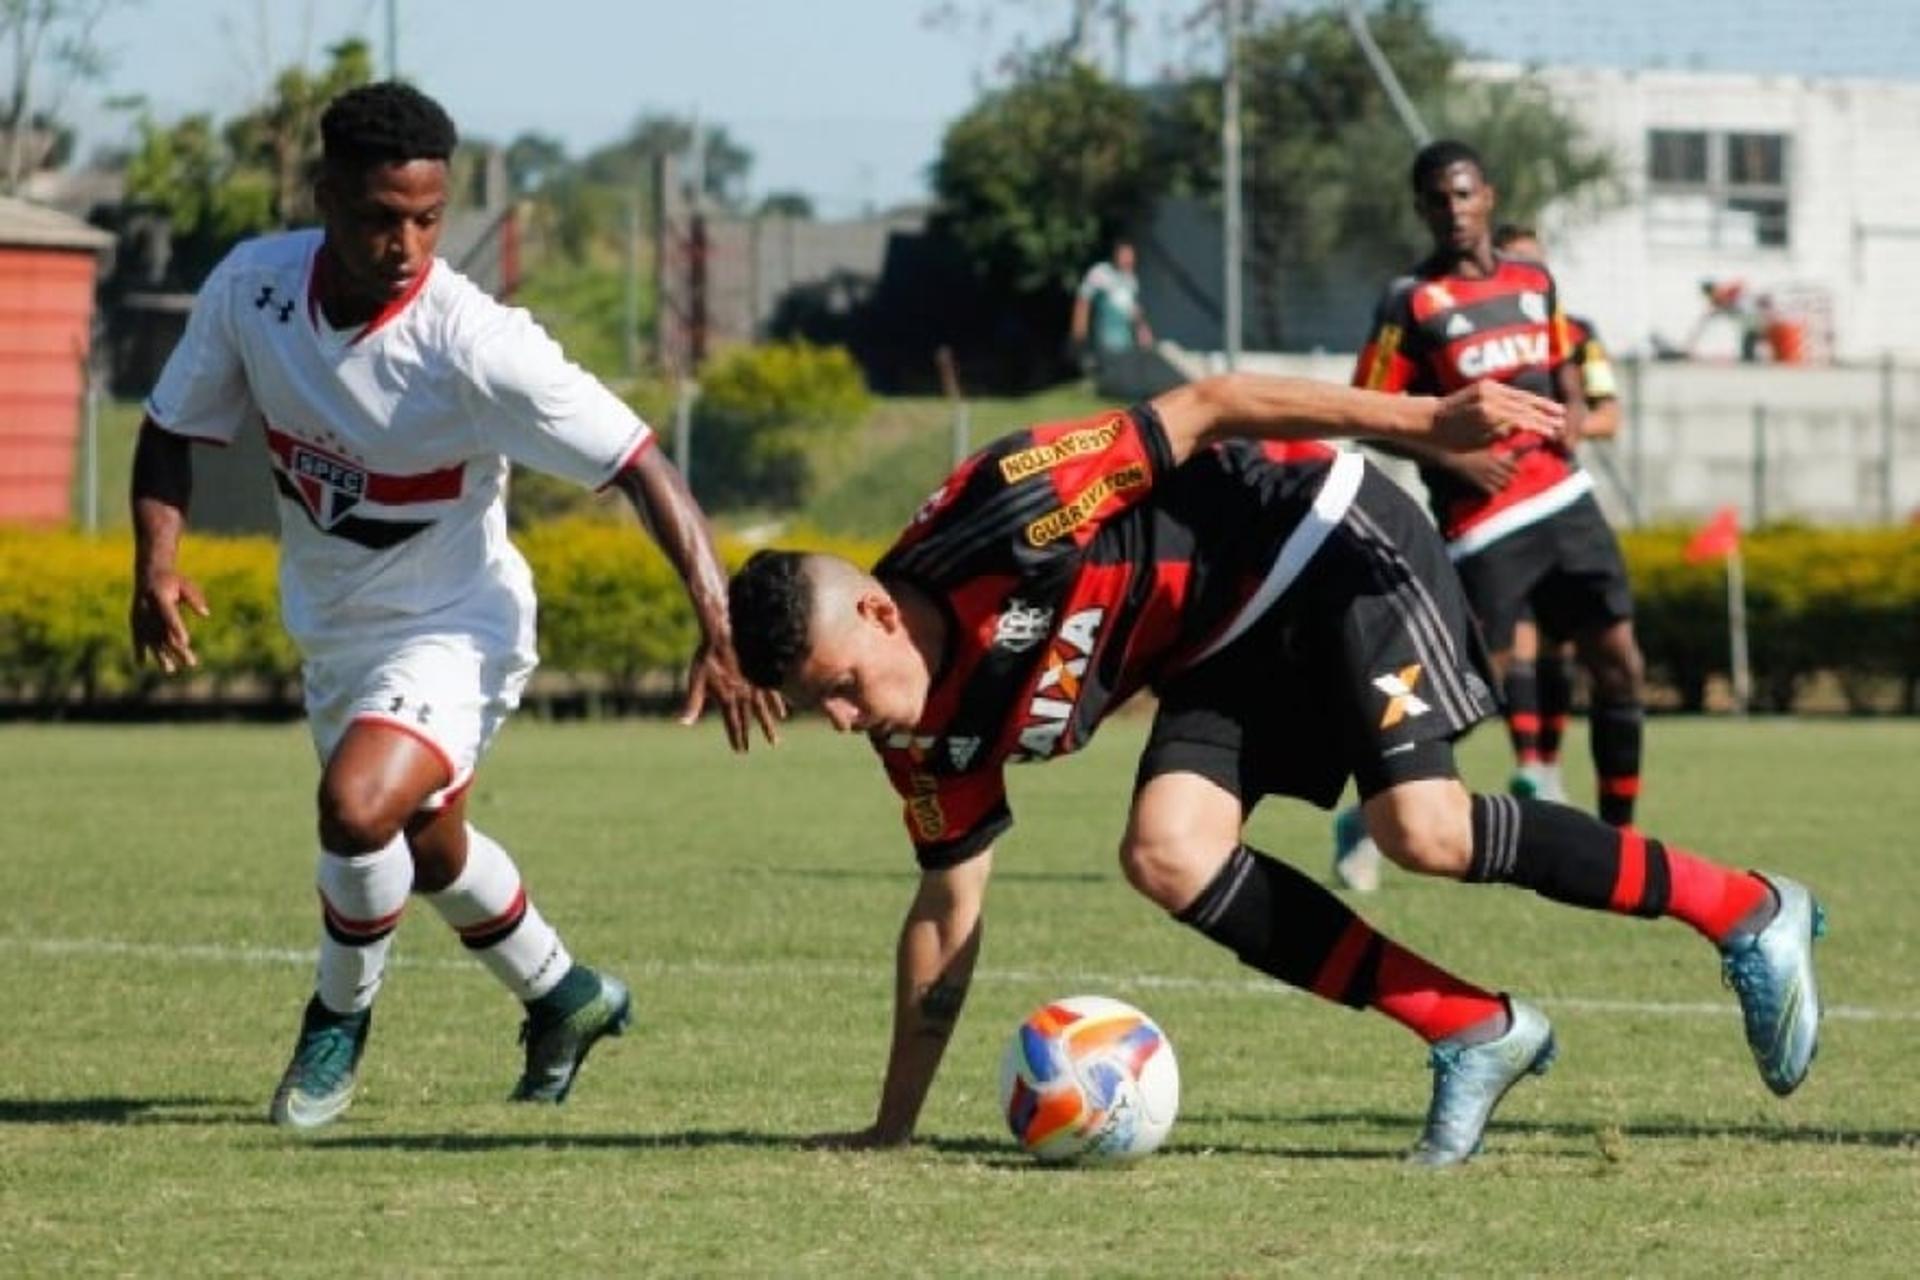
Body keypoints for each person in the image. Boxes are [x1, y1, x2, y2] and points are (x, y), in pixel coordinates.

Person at [726, 371, 1824, 1168]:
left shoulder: (1009, 508)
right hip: (1222, 641)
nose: (839, 718)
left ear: (877, 609)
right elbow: (946, 901)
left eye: (838, 685)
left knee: (1421, 830)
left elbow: (1210, 402)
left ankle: (1748, 908)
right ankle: (1470, 1027)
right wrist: (891, 1126)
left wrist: (1428, 426)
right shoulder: (913, 728)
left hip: (1320, 536)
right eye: (816, 701)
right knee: (1167, 851)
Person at [130, 81, 779, 1131]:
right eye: (382, 216)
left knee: (355, 808)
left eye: (428, 219)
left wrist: (719, 620)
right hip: (333, 626)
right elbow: (171, 428)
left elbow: (641, 465)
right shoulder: (252, 290)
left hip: (457, 623)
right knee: (426, 848)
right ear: (326, 194)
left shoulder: (478, 344)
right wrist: (155, 563)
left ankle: (337, 1017)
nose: (406, 242)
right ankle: (567, 997)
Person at [1349, 142, 1650, 837]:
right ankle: (1365, 825)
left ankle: (1621, 843)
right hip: (1484, 520)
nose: (1452, 210)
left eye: (1463, 194)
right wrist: (1457, 463)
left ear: (1488, 196)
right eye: (1436, 199)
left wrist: (1572, 408)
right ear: (1421, 209)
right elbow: (1367, 412)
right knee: (1467, 694)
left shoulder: (1534, 282)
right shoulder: (1409, 301)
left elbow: (1561, 362)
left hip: (1564, 497)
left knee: (1620, 664)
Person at [1492, 223, 1622, 803]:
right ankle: (1528, 763)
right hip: (1488, 515)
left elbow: (1608, 416)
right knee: (1502, 648)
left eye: (1534, 264)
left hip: (1555, 506)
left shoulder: (1576, 335)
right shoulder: (1475, 336)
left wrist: (1565, 424)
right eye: (1514, 261)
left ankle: (1545, 769)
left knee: (1559, 644)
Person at [1069, 240, 1153, 371]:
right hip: (1105, 339)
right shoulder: (1100, 273)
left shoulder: (1131, 279)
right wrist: (1079, 334)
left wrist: (1143, 331)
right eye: (1125, 257)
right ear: (1116, 255)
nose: (1129, 261)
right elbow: (1083, 302)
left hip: (1125, 339)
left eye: (1131, 257)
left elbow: (1133, 309)